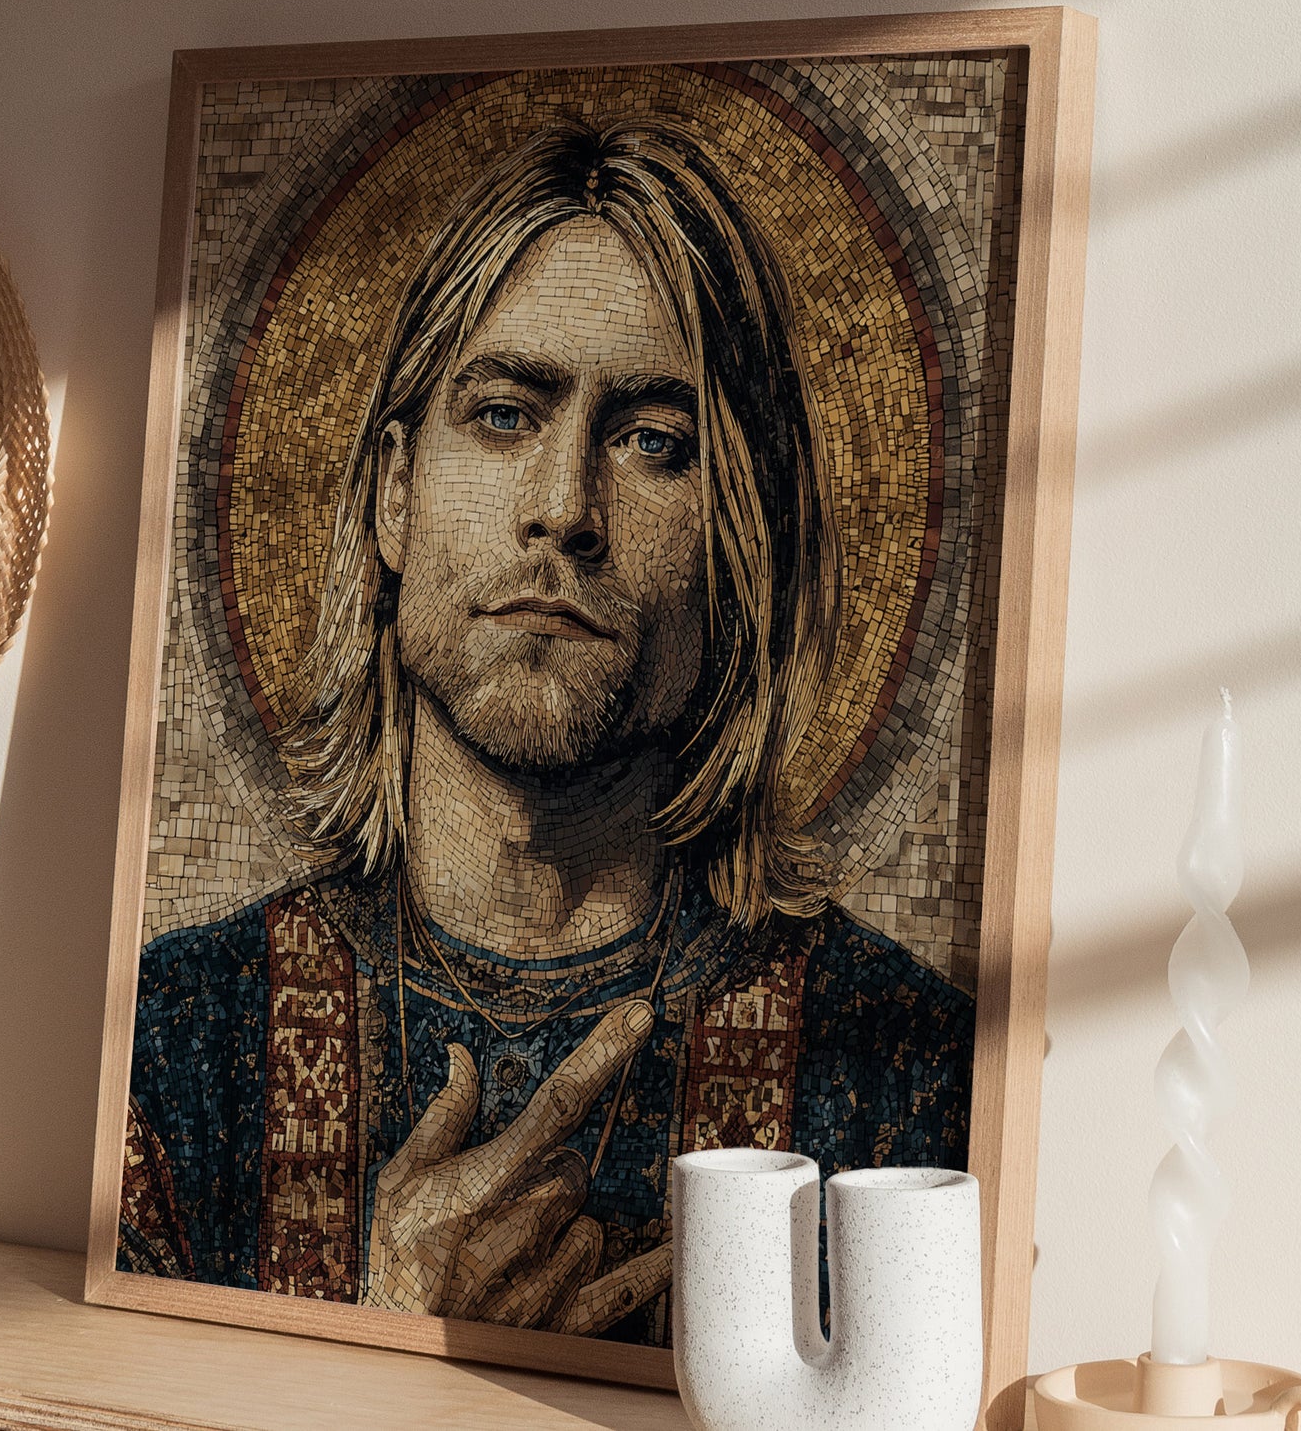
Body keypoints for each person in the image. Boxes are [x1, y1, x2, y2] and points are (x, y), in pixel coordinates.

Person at [118, 116, 973, 1347]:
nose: (564, 506)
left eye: (652, 442)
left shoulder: (903, 1065)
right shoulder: (175, 1044)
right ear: (396, 494)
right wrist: (391, 1331)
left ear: (741, 551)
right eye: (505, 414)